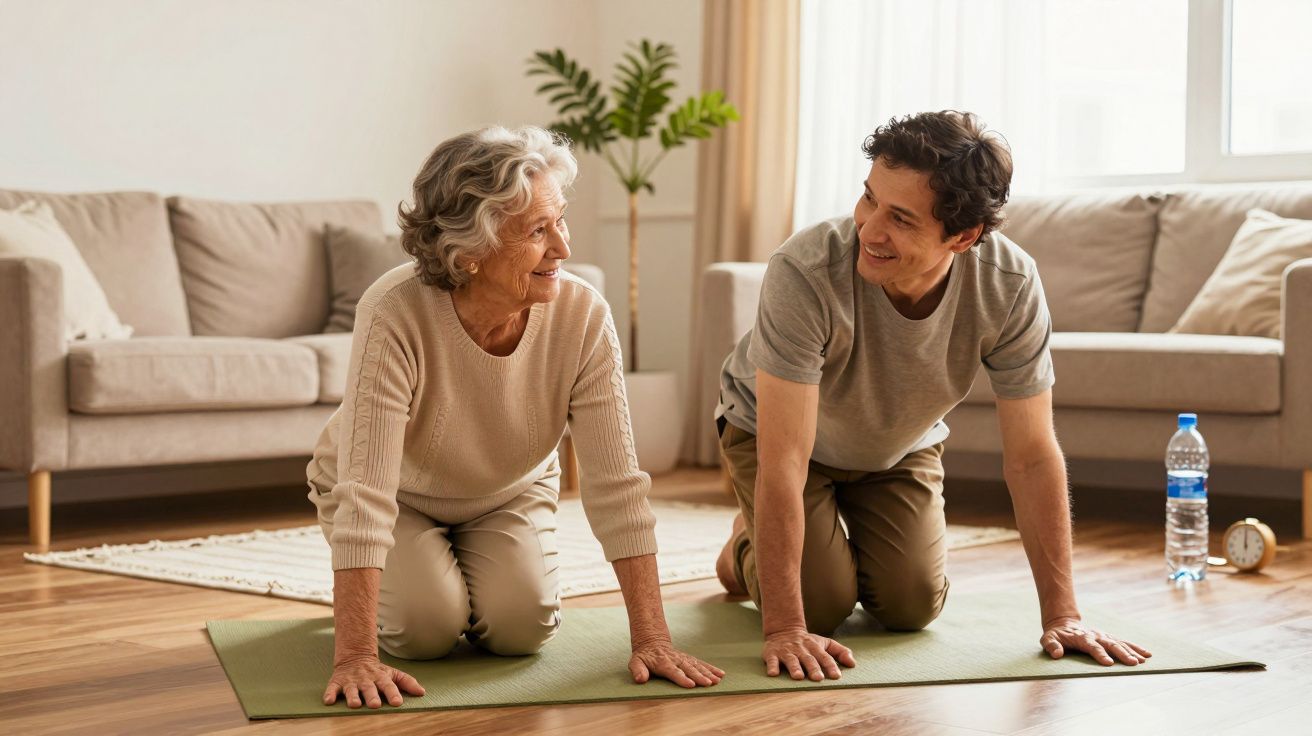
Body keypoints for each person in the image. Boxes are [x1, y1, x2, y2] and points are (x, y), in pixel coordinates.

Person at [713, 110, 1152, 682]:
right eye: (868, 199)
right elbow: (786, 458)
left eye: (900, 218)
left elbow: (1032, 455)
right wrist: (785, 627)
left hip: (897, 444)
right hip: (776, 435)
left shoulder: (1009, 284)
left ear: (964, 236)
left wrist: (1063, 615)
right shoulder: (806, 268)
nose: (869, 230)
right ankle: (743, 548)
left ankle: (775, 537)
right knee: (821, 606)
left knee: (911, 607)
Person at [307, 126, 723, 710]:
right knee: (426, 632)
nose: (563, 247)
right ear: (468, 251)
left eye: (561, 221)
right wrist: (354, 656)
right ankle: (406, 590)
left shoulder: (583, 314)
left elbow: (617, 485)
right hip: (396, 491)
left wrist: (652, 639)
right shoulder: (393, 311)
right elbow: (367, 492)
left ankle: (452, 577)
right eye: (536, 231)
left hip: (506, 490)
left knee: (521, 631)